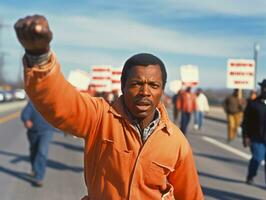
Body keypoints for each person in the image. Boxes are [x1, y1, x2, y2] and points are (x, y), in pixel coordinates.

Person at [14, 15, 203, 199]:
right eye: (136, 83)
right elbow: (60, 102)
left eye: (153, 85)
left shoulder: (177, 142)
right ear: (123, 86)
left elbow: (190, 195)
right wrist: (38, 56)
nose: (145, 92)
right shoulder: (100, 117)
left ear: (162, 90)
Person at [21, 101, 55, 187]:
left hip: (47, 131)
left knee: (42, 152)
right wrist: (26, 120)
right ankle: (34, 168)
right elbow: (25, 113)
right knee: (34, 151)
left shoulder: (51, 102)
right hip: (33, 131)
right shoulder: (33, 102)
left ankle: (39, 177)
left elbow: (61, 114)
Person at [242, 79, 266, 186]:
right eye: (264, 87)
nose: (265, 90)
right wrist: (246, 136)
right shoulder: (253, 104)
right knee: (257, 158)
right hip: (257, 137)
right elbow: (246, 122)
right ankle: (251, 175)